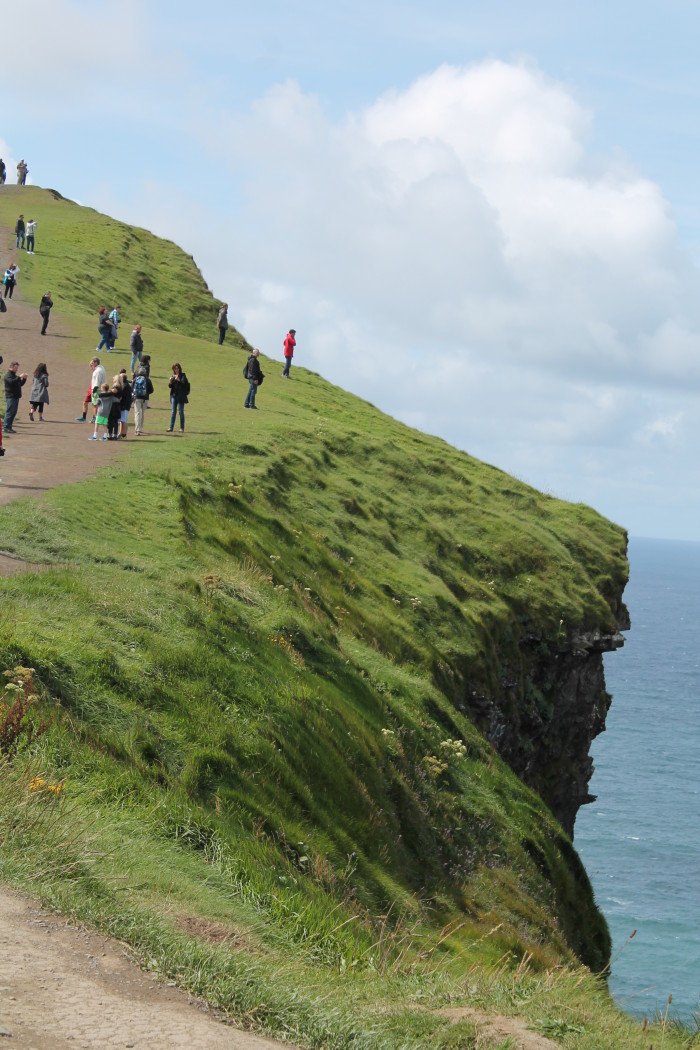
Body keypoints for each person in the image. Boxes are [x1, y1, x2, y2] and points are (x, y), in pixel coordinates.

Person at [76, 357, 107, 422]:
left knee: (95, 405)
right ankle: (89, 418)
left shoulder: (98, 371)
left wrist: (93, 391)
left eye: (92, 363)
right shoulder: (101, 368)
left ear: (96, 363)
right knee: (93, 404)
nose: (91, 364)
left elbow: (97, 384)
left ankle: (95, 419)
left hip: (97, 390)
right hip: (99, 389)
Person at [3, 361, 28, 433]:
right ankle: (6, 427)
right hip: (10, 397)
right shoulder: (8, 375)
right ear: (11, 367)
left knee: (13, 412)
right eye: (16, 367)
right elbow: (11, 382)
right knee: (9, 412)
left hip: (16, 397)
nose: (17, 369)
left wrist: (24, 379)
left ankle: (9, 427)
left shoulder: (14, 376)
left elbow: (20, 384)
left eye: (17, 368)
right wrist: (19, 377)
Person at [132, 357, 153, 435]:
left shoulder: (135, 379)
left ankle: (137, 429)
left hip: (137, 398)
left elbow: (132, 389)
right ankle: (140, 428)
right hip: (145, 398)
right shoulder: (148, 380)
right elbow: (151, 390)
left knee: (137, 413)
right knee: (142, 413)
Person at [167, 363, 190, 433]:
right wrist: (170, 382)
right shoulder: (173, 376)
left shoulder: (183, 376)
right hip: (174, 395)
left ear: (179, 369)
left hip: (180, 396)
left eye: (177, 368)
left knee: (181, 412)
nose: (176, 370)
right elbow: (170, 387)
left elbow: (184, 384)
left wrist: (179, 380)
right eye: (174, 368)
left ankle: (181, 428)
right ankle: (171, 427)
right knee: (173, 412)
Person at [115, 369, 132, 439]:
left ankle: (124, 435)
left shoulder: (125, 386)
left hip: (125, 405)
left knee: (124, 420)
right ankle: (121, 433)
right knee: (122, 420)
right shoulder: (125, 385)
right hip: (125, 405)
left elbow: (121, 395)